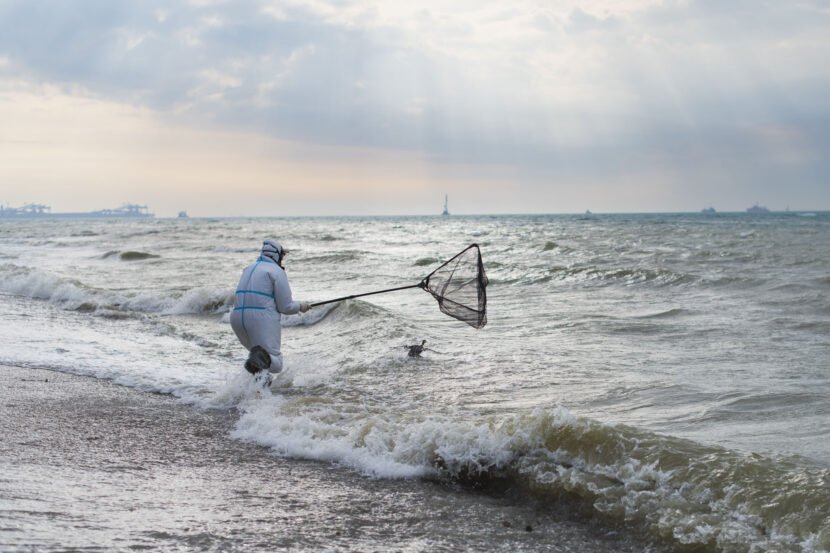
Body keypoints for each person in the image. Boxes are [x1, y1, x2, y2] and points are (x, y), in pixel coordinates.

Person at [231, 239, 310, 376]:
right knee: (275, 363)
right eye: (282, 256)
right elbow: (285, 307)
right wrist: (301, 306)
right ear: (276, 255)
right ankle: (260, 390)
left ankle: (257, 393)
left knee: (259, 363)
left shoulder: (248, 268)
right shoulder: (276, 271)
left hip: (237, 319)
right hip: (260, 319)